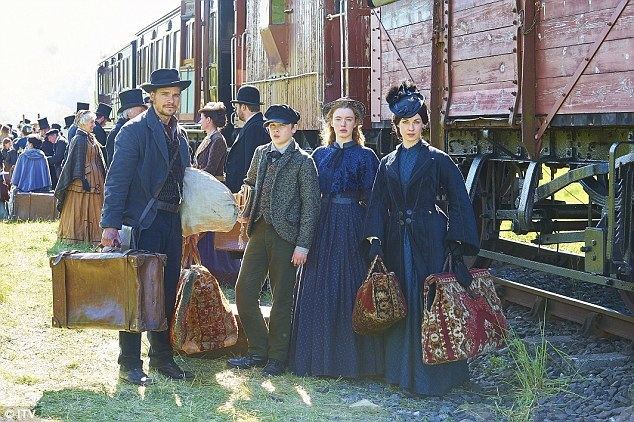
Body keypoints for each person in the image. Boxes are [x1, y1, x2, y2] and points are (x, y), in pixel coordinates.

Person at [364, 82, 480, 396]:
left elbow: (459, 199)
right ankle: (403, 373)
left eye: (416, 122)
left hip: (430, 239)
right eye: (405, 123)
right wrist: (374, 240)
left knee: (431, 303)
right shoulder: (387, 163)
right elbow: (377, 204)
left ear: (423, 124)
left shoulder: (438, 160)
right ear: (396, 126)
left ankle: (437, 377)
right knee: (403, 299)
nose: (411, 128)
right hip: (396, 240)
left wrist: (456, 243)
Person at [100, 68, 193, 386]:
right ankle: (129, 362)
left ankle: (162, 357)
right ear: (151, 97)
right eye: (165, 94)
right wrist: (110, 226)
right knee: (137, 293)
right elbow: (117, 181)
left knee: (166, 292)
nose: (171, 100)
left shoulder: (178, 134)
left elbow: (185, 180)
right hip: (143, 224)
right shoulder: (133, 131)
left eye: (176, 94)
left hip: (171, 221)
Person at [289, 97, 382, 378]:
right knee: (319, 285)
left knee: (349, 284)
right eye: (338, 119)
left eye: (349, 120)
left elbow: (374, 200)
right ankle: (318, 360)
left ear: (356, 125)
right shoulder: (319, 155)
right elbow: (307, 195)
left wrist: (372, 237)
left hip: (352, 222)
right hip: (322, 223)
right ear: (330, 122)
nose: (343, 125)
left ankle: (351, 362)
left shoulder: (367, 157)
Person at [227, 104, 321, 377]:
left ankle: (277, 357)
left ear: (293, 129)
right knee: (244, 291)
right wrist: (245, 204)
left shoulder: (304, 161)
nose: (275, 130)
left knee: (282, 298)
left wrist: (303, 245)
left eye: (281, 126)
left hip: (287, 237)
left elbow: (311, 207)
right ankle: (258, 350)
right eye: (271, 126)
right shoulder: (260, 153)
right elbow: (249, 182)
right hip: (259, 231)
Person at [194, 101, 241, 285]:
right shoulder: (209, 138)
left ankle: (217, 268)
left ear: (209, 120)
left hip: (213, 188)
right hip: (205, 187)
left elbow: (211, 167)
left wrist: (193, 173)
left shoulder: (218, 140)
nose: (200, 121)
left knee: (210, 229)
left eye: (202, 117)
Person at [55, 111, 106, 244]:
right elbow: (74, 162)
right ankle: (79, 237)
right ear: (83, 123)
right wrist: (82, 179)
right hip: (83, 180)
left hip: (96, 178)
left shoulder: (90, 137)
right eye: (91, 122)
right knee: (80, 208)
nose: (94, 125)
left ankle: (96, 237)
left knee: (96, 207)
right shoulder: (78, 139)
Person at [224, 85, 269, 193]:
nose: (236, 110)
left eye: (237, 106)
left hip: (245, 193)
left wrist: (246, 191)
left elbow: (251, 164)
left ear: (243, 107)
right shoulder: (253, 125)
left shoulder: (255, 128)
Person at [105, 88, 147, 166]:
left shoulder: (139, 129)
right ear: (129, 112)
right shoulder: (116, 132)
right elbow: (113, 164)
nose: (144, 113)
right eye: (141, 111)